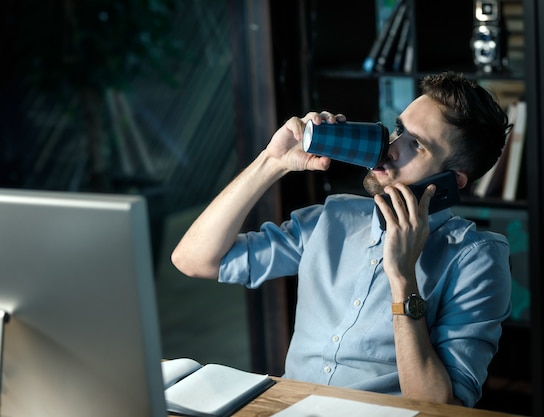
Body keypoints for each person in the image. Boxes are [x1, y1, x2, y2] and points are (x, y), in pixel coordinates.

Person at [171, 71, 513, 407]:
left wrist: (403, 278)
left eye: (416, 145)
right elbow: (194, 260)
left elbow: (439, 407)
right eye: (398, 131)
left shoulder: (475, 258)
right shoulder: (333, 218)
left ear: (451, 180)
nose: (390, 149)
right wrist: (272, 162)